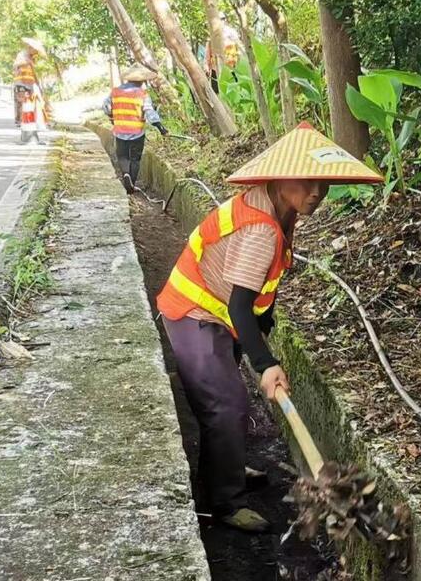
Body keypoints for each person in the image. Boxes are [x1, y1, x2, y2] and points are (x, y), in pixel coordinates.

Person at [154, 122, 382, 533]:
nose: (316, 192)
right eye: (306, 182)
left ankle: (227, 468)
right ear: (279, 178)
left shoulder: (279, 209)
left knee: (227, 405)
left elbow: (258, 290)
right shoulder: (261, 227)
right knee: (226, 405)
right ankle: (221, 504)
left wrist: (263, 322)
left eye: (322, 184)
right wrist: (266, 363)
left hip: (219, 313)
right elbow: (239, 303)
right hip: (195, 313)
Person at [101, 64, 168, 193]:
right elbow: (149, 112)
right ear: (142, 81)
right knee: (135, 158)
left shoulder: (115, 92)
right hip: (137, 132)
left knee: (123, 156)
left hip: (120, 130)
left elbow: (106, 107)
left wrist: (111, 115)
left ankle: (125, 174)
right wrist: (160, 127)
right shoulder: (142, 94)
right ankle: (131, 182)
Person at [13, 37, 45, 127]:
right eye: (35, 51)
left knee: (29, 102)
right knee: (20, 101)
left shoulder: (32, 58)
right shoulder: (22, 55)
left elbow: (33, 71)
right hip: (20, 81)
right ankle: (19, 121)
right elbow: (15, 65)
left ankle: (28, 120)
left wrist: (37, 83)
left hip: (30, 82)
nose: (36, 53)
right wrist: (25, 62)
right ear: (31, 48)